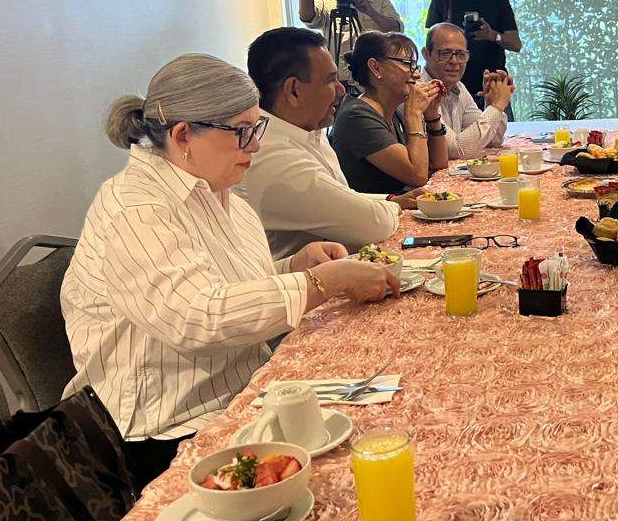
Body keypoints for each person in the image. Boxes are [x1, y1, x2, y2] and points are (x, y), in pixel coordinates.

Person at [61, 54, 399, 486]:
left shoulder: (218, 191)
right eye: (242, 131)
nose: (255, 145)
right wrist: (320, 283)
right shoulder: (135, 208)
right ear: (184, 134)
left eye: (257, 128)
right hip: (165, 428)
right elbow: (198, 317)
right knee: (359, 471)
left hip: (241, 391)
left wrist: (295, 265)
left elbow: (224, 284)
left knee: (386, 414)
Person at [238, 27, 416, 259]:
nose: (341, 90)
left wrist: (391, 200)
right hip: (300, 278)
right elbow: (373, 224)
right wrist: (394, 207)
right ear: (294, 91)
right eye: (331, 80)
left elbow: (338, 196)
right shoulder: (273, 153)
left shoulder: (308, 129)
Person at [330, 32, 448, 195]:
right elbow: (418, 175)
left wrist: (432, 115)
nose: (417, 74)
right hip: (372, 210)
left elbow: (439, 164)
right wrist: (414, 113)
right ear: (375, 67)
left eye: (415, 66)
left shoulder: (391, 111)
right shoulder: (356, 116)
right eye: (408, 64)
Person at [425, 0, 521, 114]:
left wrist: (493, 35)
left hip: (493, 86)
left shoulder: (498, 3)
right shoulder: (442, 1)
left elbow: (516, 44)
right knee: (453, 132)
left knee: (500, 130)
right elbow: (432, 46)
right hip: (452, 88)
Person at [298, 0, 402, 84]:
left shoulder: (379, 2)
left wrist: (370, 11)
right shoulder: (327, 3)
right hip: (337, 79)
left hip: (372, 80)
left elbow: (397, 31)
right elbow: (307, 17)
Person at [421, 22, 514, 159]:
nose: (454, 61)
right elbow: (456, 150)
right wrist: (497, 105)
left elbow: (493, 141)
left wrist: (491, 102)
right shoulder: (420, 90)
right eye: (445, 53)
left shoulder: (458, 87)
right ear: (426, 54)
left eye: (461, 54)